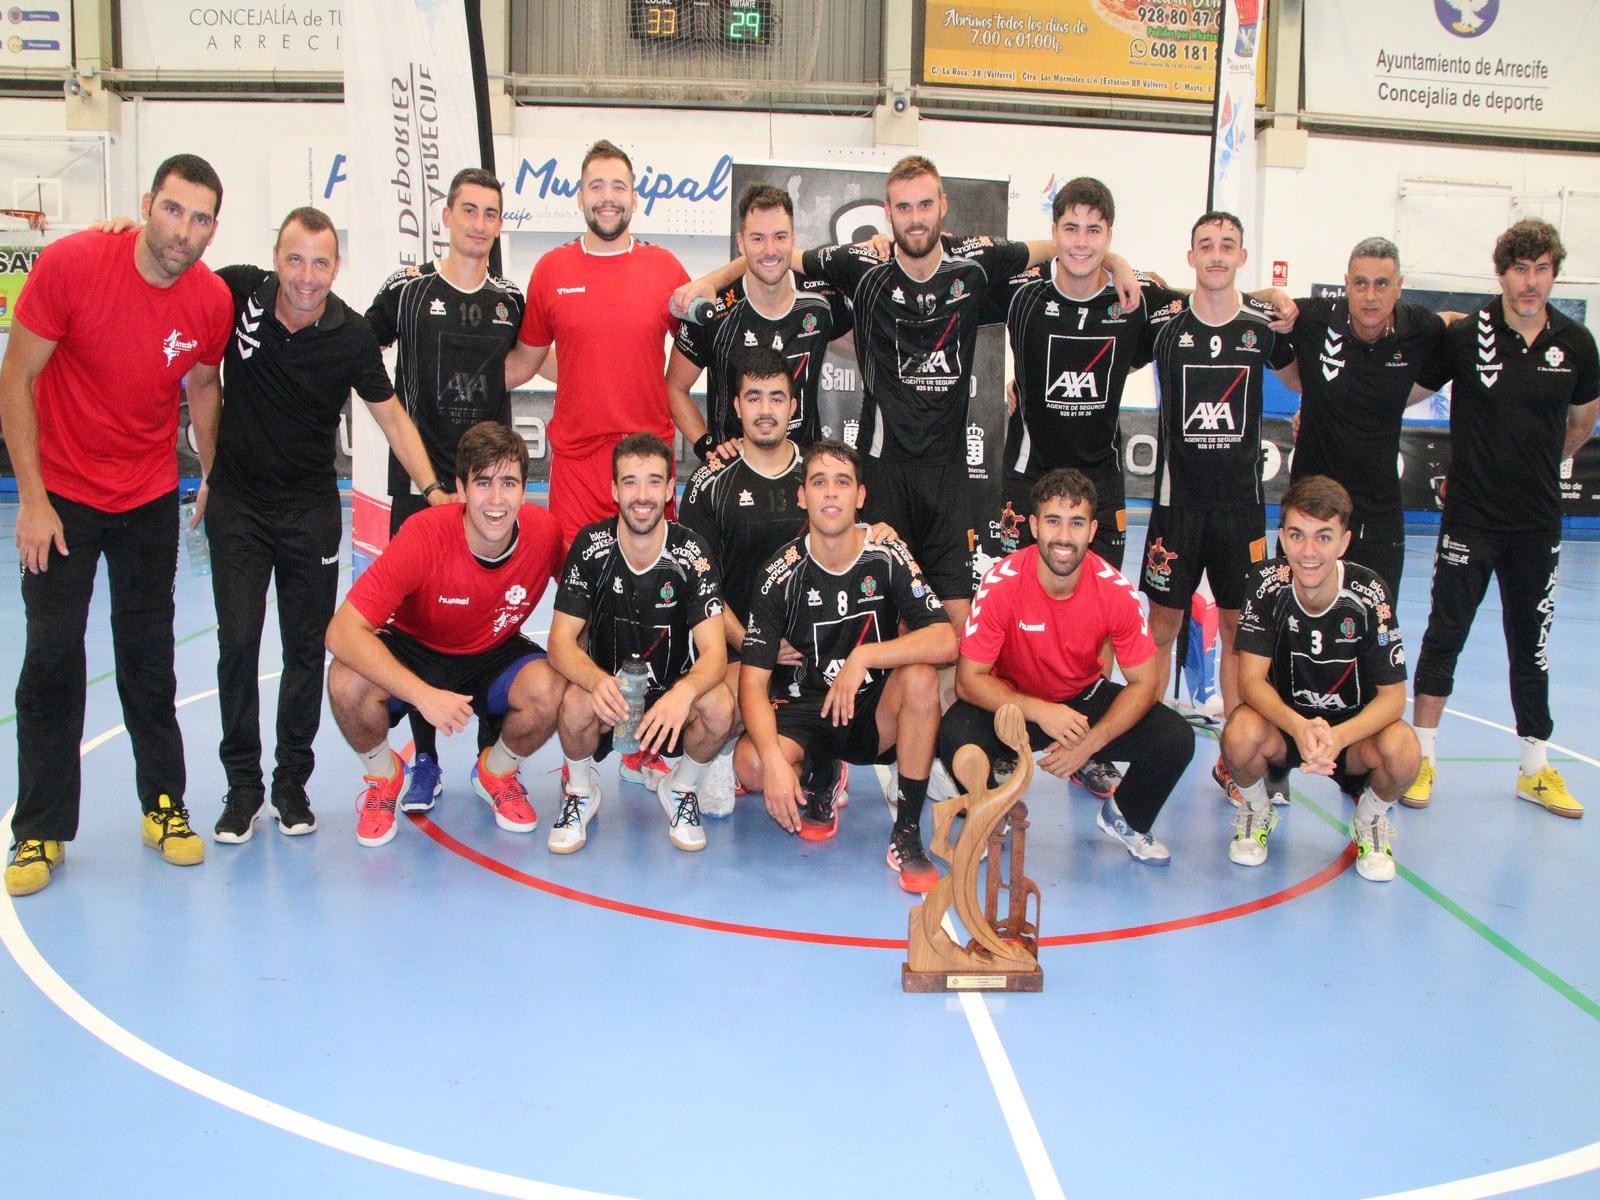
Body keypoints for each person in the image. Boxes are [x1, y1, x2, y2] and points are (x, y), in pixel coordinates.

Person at [677, 155, 1142, 633]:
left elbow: (1061, 247)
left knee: (957, 623)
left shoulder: (976, 261)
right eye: (903, 207)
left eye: (924, 204)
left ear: (942, 205)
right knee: (885, 614)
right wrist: (710, 281)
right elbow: (775, 256)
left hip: (949, 477)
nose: (915, 217)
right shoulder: (863, 265)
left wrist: (1114, 261)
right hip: (884, 472)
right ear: (888, 212)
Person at [2, 153, 232, 897]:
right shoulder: (74, 265)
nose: (183, 230)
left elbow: (202, 383)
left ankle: (163, 805)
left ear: (212, 230)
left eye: (200, 219)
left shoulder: (207, 301)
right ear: (146, 204)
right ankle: (39, 828)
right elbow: (17, 378)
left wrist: (208, 471)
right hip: (62, 496)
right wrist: (32, 499)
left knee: (148, 659)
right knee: (51, 659)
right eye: (172, 210)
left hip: (145, 500)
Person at [206, 207, 444, 842]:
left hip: (308, 512)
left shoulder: (348, 336)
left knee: (305, 650)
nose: (305, 276)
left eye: (319, 262)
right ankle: (243, 788)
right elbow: (167, 283)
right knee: (237, 646)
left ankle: (290, 787)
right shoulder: (233, 292)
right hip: (237, 508)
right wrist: (124, 238)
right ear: (275, 257)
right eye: (294, 259)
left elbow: (391, 417)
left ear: (335, 268)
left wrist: (435, 489)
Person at [998, 176, 1187, 800]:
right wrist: (1113, 259)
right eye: (1070, 228)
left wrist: (1272, 296)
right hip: (1026, 475)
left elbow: (1208, 297)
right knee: (1004, 607)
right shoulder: (1023, 295)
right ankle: (1007, 737)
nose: (1082, 242)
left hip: (1100, 485)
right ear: (1054, 234)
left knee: (1098, 618)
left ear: (1110, 234)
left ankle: (1084, 742)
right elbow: (983, 261)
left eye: (1096, 231)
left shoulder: (1134, 303)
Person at [1406, 220, 1600, 817]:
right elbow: (1408, 390)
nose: (1530, 282)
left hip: (1537, 524)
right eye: (1520, 269)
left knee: (1531, 647)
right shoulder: (1468, 338)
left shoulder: (1576, 343)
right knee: (1445, 635)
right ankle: (1423, 757)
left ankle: (1535, 770)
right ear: (1502, 273)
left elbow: (1581, 422)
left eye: (1542, 268)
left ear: (1553, 274)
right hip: (1469, 519)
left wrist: (1535, 465)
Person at [366, 167, 528, 813]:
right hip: (421, 487)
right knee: (420, 625)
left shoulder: (509, 299)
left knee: (489, 617)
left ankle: (493, 760)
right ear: (447, 215)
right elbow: (356, 347)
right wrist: (429, 479)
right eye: (469, 210)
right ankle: (425, 757)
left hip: (487, 491)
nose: (479, 224)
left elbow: (530, 357)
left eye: (490, 214)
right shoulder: (407, 291)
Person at [324, 422, 565, 848]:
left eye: (508, 483)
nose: (496, 499)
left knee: (550, 687)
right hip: (417, 649)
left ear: (526, 489)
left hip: (493, 652)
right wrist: (422, 694)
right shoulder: (424, 535)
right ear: (461, 487)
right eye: (483, 482)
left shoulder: (544, 533)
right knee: (346, 680)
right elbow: (342, 632)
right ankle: (383, 778)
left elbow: (587, 599)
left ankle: (497, 770)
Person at [940, 468, 1194, 867]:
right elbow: (969, 680)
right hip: (1014, 701)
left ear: (1092, 530)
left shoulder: (1114, 590)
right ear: (1035, 525)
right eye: (1054, 521)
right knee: (955, 734)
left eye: (1076, 523)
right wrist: (1042, 711)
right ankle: (991, 811)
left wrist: (1089, 744)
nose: (1063, 536)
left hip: (1082, 703)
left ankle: (1125, 817)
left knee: (1176, 737)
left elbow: (1145, 682)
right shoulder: (1001, 583)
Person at [734, 439, 958, 893]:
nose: (831, 493)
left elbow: (946, 640)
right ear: (803, 497)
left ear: (860, 496)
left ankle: (908, 831)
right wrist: (777, 765)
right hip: (805, 707)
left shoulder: (888, 555)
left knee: (918, 677)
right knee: (753, 766)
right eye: (819, 483)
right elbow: (752, 685)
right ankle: (823, 771)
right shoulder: (780, 573)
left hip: (871, 709)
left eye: (842, 483)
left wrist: (865, 656)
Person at [1136, 210, 1296, 799]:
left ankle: (1237, 755)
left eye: (1228, 245)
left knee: (1237, 628)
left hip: (1241, 510)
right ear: (1192, 257)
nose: (1217, 254)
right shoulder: (1164, 325)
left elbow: (1302, 377)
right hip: (1176, 509)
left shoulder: (1264, 326)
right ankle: (1142, 744)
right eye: (1207, 245)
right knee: (1160, 626)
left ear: (1242, 257)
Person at [1221, 476, 1419, 881]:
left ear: (1344, 542)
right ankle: (1258, 810)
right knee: (1238, 733)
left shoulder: (1370, 593)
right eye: (1297, 535)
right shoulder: (1266, 583)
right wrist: (1297, 726)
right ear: (1282, 537)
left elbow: (1394, 700)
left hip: (1351, 739)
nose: (1308, 551)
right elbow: (1251, 681)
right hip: (1285, 731)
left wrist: (1338, 737)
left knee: (1404, 750)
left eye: (1323, 537)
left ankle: (1369, 820)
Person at [547, 433, 735, 854]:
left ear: (671, 489)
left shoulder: (691, 552)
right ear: (613, 490)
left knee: (720, 705)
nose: (642, 495)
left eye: (654, 482)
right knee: (574, 702)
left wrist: (683, 693)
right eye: (630, 482)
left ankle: (680, 787)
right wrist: (597, 683)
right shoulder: (590, 547)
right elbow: (559, 645)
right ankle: (580, 792)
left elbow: (716, 654)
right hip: (608, 695)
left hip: (669, 698)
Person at [510, 139, 691, 543]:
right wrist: (462, 379)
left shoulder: (665, 268)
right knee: (579, 594)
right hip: (577, 466)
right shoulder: (551, 270)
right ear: (579, 197)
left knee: (652, 591)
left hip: (647, 460)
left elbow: (697, 355)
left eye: (618, 187)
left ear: (635, 198)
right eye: (596, 187)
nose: (607, 198)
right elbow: (526, 360)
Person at [1283, 237, 1453, 597]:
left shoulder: (1419, 328)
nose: (1371, 296)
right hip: (1312, 512)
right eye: (1361, 283)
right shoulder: (1313, 319)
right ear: (1346, 283)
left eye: (1382, 284)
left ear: (1399, 287)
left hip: (1379, 516)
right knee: (1296, 629)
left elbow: (1458, 324)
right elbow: (1246, 305)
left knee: (1377, 629)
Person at [666, 183, 850, 458]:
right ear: (741, 243)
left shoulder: (821, 299)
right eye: (757, 239)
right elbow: (675, 387)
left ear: (793, 239)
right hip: (734, 476)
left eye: (779, 237)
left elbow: (866, 343)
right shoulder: (714, 310)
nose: (770, 250)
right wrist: (708, 446)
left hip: (802, 478)